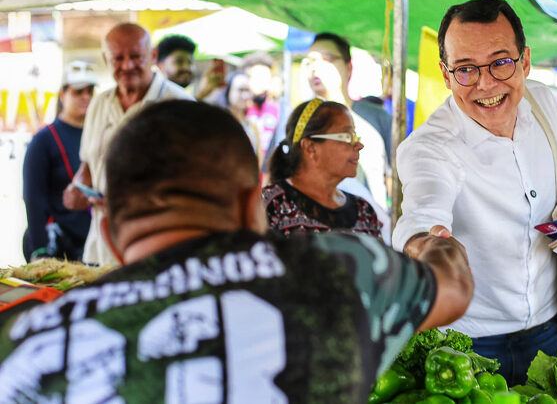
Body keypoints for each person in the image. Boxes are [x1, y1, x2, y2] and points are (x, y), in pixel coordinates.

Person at [0, 100, 473, 402]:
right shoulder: (341, 269)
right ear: (254, 207)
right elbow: (452, 288)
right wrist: (432, 243)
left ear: (111, 229)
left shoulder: (25, 342)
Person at [392, 0, 557, 385]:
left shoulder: (540, 101)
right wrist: (430, 246)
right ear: (445, 74)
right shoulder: (430, 147)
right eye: (465, 69)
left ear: (525, 60)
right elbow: (421, 219)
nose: (485, 83)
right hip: (469, 347)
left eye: (500, 62)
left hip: (555, 327)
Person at [63, 23, 193, 266]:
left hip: (157, 254)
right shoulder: (99, 104)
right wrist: (78, 187)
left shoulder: (182, 105)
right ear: (106, 59)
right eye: (118, 58)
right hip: (99, 252)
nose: (127, 65)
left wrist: (133, 204)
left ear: (153, 55)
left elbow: (196, 186)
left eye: (136, 56)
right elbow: (89, 166)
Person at [264, 99, 382, 238]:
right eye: (347, 136)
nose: (359, 145)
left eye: (355, 136)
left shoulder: (364, 211)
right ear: (310, 148)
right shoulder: (272, 205)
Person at [304, 32, 390, 214]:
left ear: (348, 68)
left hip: (370, 234)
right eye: (310, 61)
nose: (314, 68)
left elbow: (397, 182)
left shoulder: (377, 120)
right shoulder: (298, 123)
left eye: (326, 59)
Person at [22, 61, 96, 262]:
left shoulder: (98, 135)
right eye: (78, 91)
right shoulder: (44, 139)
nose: (86, 97)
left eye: (90, 91)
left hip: (94, 241)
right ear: (63, 94)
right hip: (58, 245)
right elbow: (33, 197)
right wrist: (39, 249)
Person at [155, 34, 224, 101]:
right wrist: (201, 95)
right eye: (179, 62)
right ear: (160, 66)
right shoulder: (154, 97)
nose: (187, 68)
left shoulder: (184, 97)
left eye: (190, 63)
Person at [241, 51, 281, 162]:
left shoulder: (278, 110)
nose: (263, 84)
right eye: (258, 78)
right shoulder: (239, 110)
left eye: (266, 78)